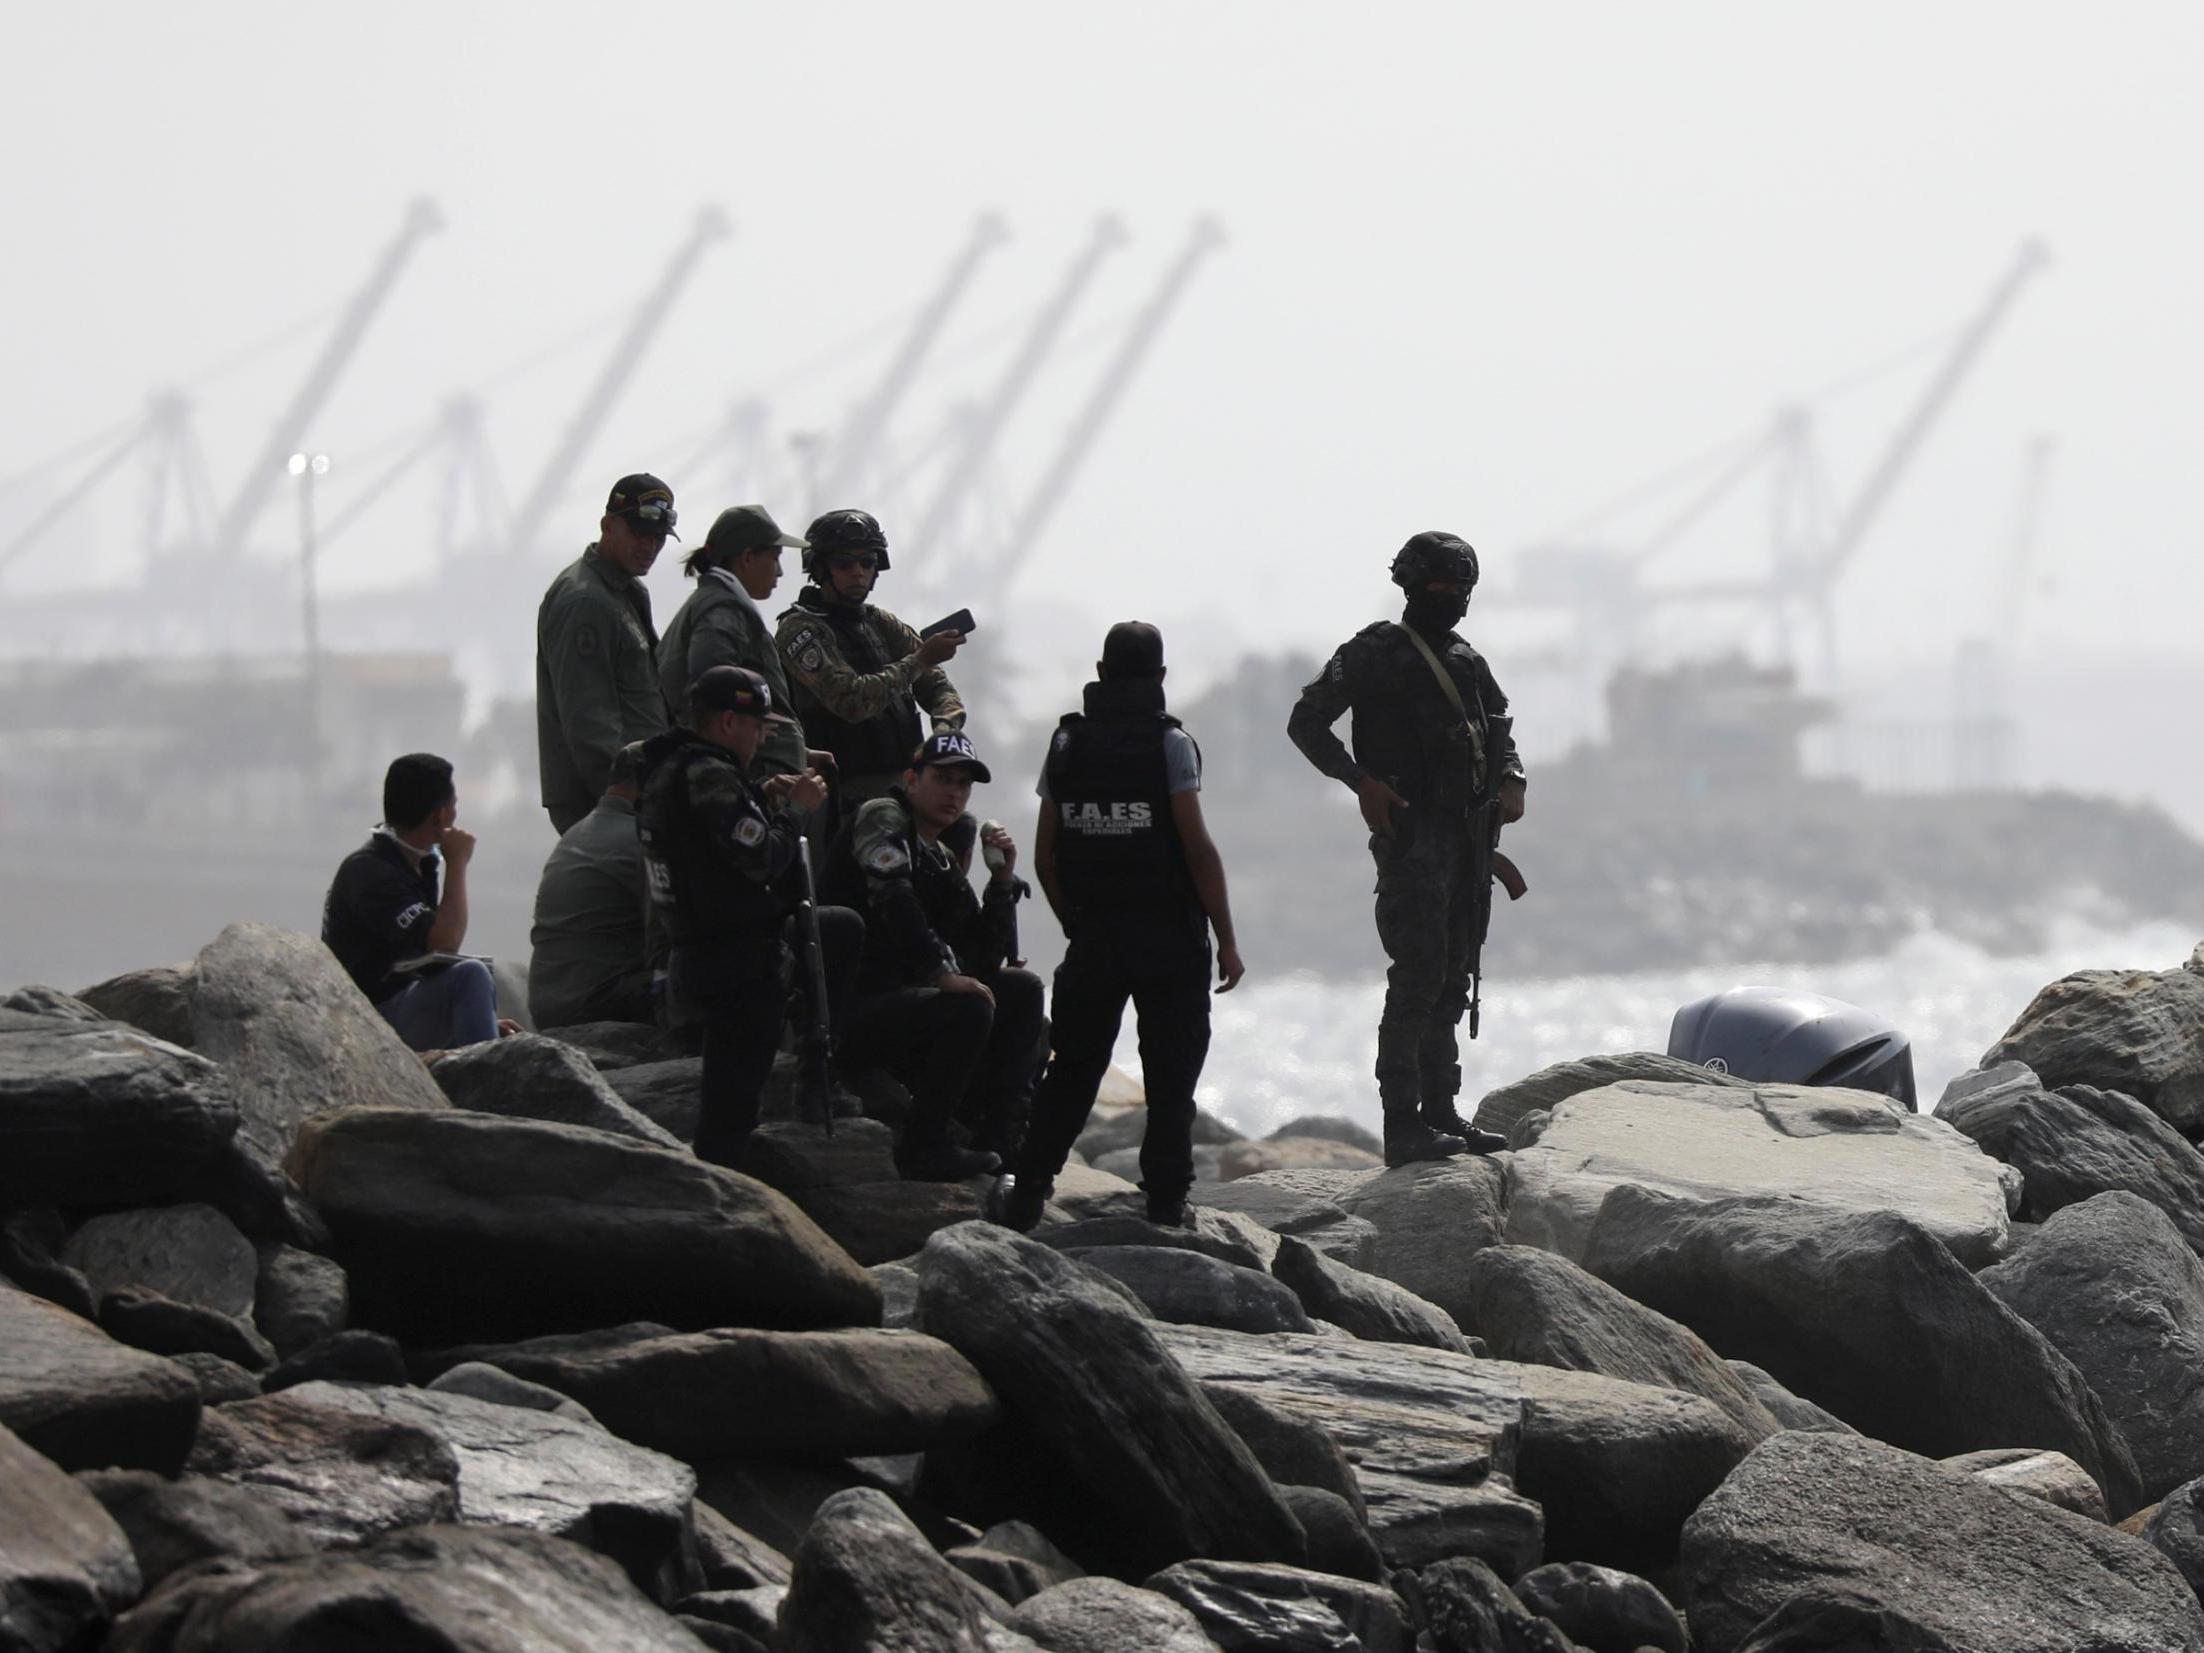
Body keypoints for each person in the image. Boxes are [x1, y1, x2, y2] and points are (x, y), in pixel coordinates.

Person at [996, 623, 1244, 1231]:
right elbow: (1199, 850)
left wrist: (1074, 922)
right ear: (1160, 679)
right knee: (1171, 1076)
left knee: (1071, 1073)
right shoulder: (1172, 745)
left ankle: (1028, 1192)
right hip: (1168, 936)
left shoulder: (1066, 743)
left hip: (1096, 936)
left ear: (1101, 672)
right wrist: (1227, 939)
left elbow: (1045, 856)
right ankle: (1164, 1203)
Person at [1287, 531, 1524, 1166]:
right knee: (1417, 978)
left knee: (1452, 978)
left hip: (1467, 840)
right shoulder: (1373, 654)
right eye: (1439, 587)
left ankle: (1442, 1111)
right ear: (1412, 586)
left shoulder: (1468, 661)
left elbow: (1500, 728)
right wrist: (1361, 783)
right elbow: (1306, 722)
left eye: (1459, 589)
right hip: (1414, 839)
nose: (1449, 599)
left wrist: (1511, 781)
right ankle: (1403, 1122)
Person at [637, 666, 860, 1168]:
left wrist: (761, 797)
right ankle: (723, 1198)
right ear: (726, 722)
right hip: (732, 957)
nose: (762, 735)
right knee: (731, 1107)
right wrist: (798, 809)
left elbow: (714, 837)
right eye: (757, 724)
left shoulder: (674, 766)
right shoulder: (709, 773)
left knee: (839, 928)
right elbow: (761, 856)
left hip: (705, 949)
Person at [821, 730, 1045, 1180]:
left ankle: (1000, 1140)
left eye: (963, 784)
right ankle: (925, 1145)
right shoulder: (882, 817)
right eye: (943, 779)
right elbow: (894, 896)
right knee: (966, 1007)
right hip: (849, 1006)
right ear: (911, 779)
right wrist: (939, 973)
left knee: (1021, 991)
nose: (955, 793)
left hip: (903, 1005)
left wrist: (1001, 883)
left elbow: (980, 957)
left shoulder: (938, 856)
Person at [774, 508, 967, 816]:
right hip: (840, 794)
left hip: (904, 784)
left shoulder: (880, 622)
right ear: (821, 569)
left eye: (867, 562)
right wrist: (919, 660)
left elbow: (939, 687)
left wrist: (943, 733)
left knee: (961, 826)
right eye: (844, 563)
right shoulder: (800, 631)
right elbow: (851, 700)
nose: (858, 572)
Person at [322, 752, 506, 1051]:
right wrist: (458, 862)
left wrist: (478, 1017)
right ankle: (488, 1082)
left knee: (475, 980)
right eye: (454, 805)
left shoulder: (412, 863)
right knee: (471, 975)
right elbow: (445, 943)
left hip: (397, 1004)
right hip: (364, 1020)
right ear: (441, 815)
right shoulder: (371, 871)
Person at [537, 473, 677, 835]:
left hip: (639, 791)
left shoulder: (625, 591)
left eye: (658, 538)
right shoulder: (586, 600)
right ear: (608, 526)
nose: (650, 546)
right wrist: (623, 798)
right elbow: (589, 721)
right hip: (607, 800)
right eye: (640, 534)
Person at [659, 505, 816, 781]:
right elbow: (712, 684)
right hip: (753, 772)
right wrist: (756, 732)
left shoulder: (715, 602)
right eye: (775, 557)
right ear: (746, 557)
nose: (780, 572)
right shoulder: (724, 607)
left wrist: (800, 751)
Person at [526, 740, 655, 1030]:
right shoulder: (639, 841)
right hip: (596, 1005)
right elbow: (673, 931)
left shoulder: (577, 833)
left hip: (549, 1005)